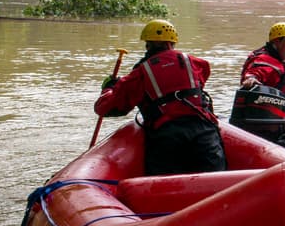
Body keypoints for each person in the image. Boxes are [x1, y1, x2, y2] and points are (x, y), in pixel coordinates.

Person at [95, 19, 227, 176]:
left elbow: (108, 107)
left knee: (164, 184)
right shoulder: (193, 62)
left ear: (147, 44)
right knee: (215, 179)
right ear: (172, 43)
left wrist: (109, 88)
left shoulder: (141, 72)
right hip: (204, 130)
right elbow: (202, 77)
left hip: (167, 135)